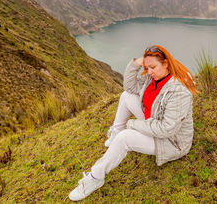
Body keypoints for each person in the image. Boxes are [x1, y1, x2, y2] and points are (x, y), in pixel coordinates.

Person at [69, 45, 197, 201]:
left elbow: (166, 129)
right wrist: (137, 63)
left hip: (171, 142)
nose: (149, 71)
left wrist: (133, 124)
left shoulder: (178, 91)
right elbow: (129, 87)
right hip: (152, 121)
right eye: (147, 67)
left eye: (153, 67)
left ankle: (95, 178)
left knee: (125, 137)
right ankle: (116, 133)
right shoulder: (153, 77)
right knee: (126, 96)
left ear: (166, 64)